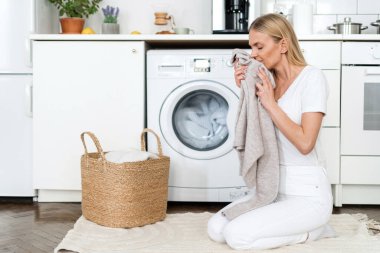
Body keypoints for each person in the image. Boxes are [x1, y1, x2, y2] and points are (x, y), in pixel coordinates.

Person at [207, 13, 334, 250]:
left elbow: (306, 143)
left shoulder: (312, 78)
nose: (253, 54)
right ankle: (298, 226)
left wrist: (271, 104)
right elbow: (249, 128)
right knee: (216, 229)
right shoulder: (267, 81)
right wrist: (244, 90)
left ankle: (313, 231)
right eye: (251, 47)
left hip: (309, 195)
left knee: (237, 236)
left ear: (283, 45)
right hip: (271, 190)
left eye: (259, 46)